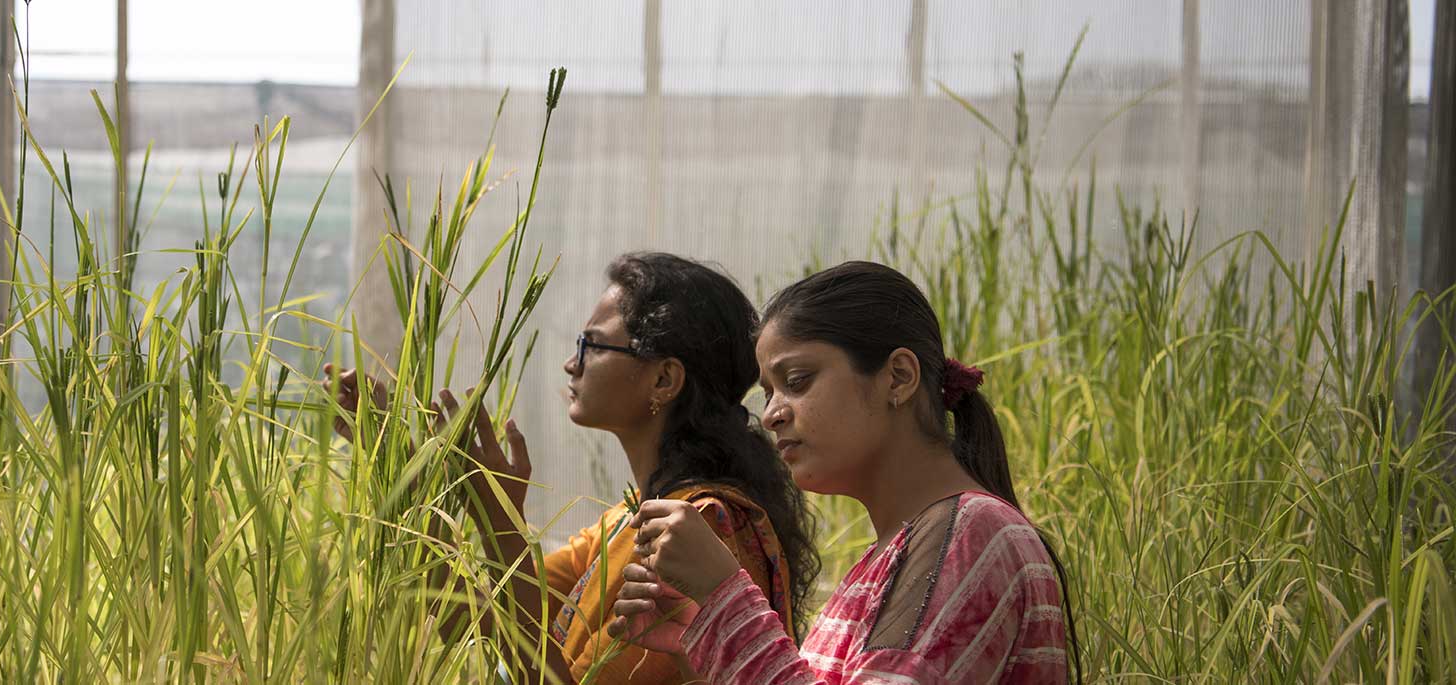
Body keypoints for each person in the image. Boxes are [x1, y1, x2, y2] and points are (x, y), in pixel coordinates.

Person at [329, 252, 816, 683]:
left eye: (593, 345)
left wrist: (498, 518)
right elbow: (485, 625)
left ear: (664, 378)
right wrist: (401, 472)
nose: (571, 363)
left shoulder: (699, 528)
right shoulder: (622, 524)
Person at [610, 260, 1077, 684]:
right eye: (767, 393)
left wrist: (724, 595)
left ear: (897, 377)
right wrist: (702, 639)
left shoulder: (972, 534)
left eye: (796, 382)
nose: (772, 414)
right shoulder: (896, 554)